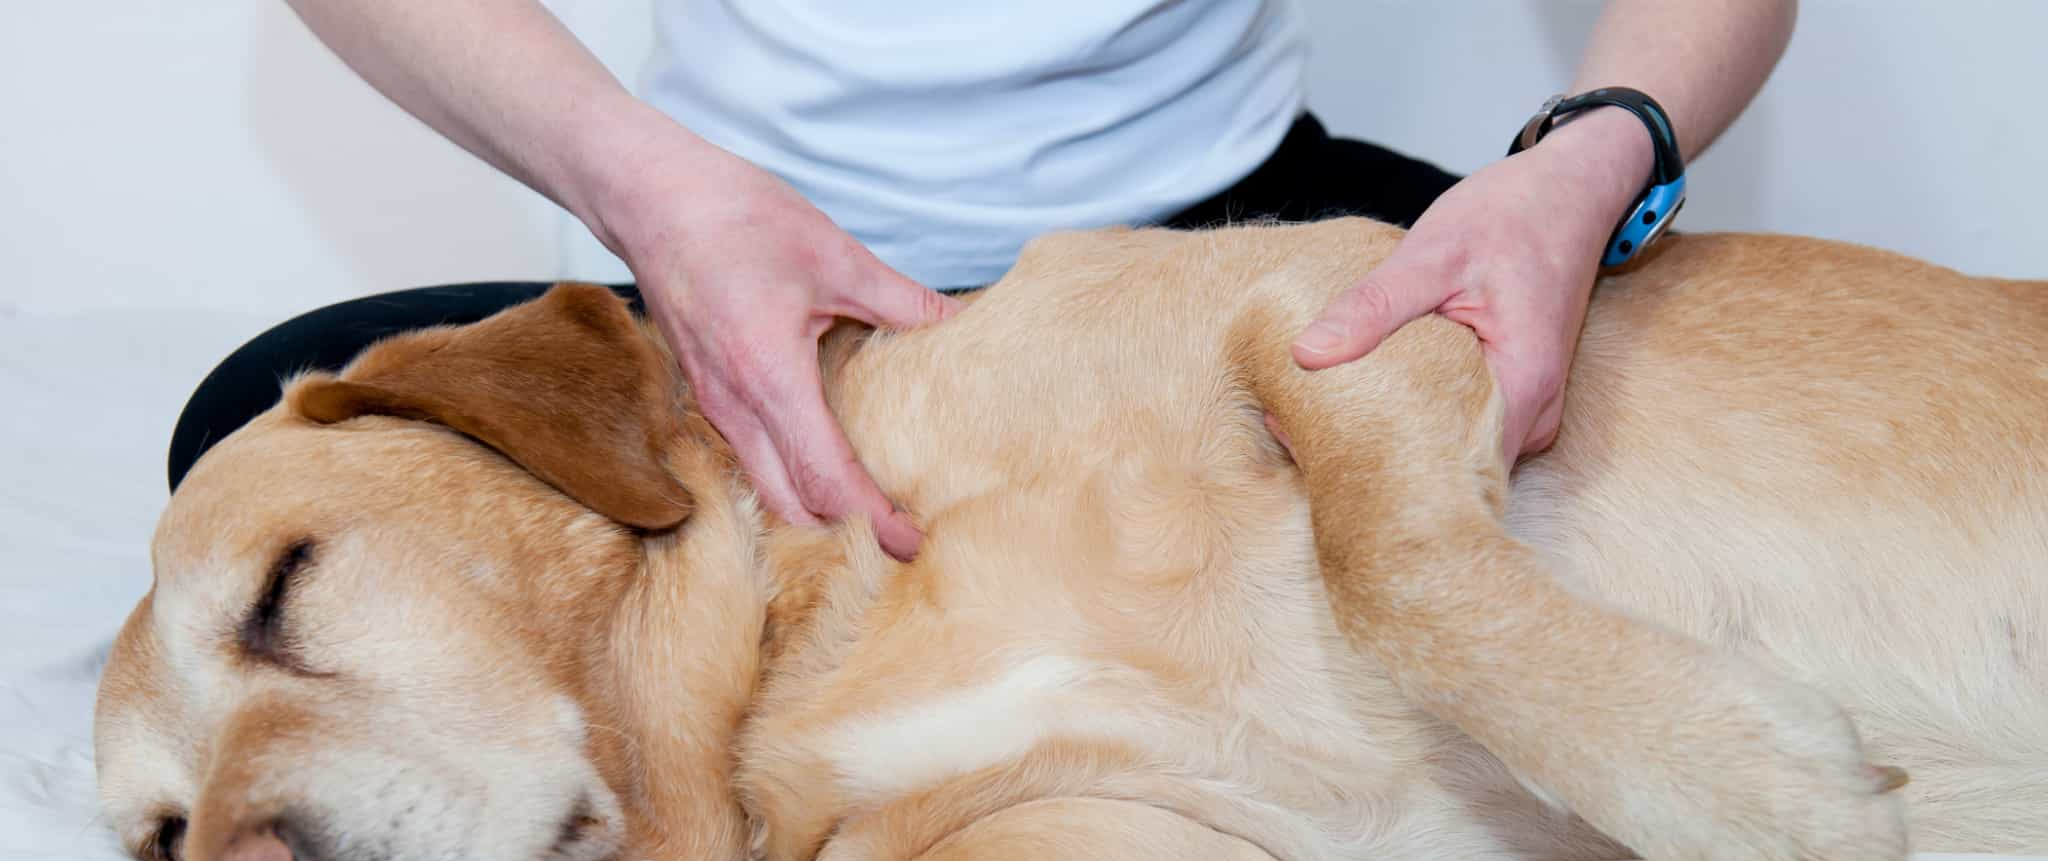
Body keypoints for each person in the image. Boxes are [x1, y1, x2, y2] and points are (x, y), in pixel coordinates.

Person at [170, 0, 1797, 562]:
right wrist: (640, 186)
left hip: (1229, 240)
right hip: (743, 275)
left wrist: (1585, 166)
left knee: (1714, 432)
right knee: (260, 447)